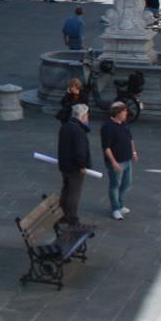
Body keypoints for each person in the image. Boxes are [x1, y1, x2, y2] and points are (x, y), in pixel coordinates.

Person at [57, 100, 92, 233]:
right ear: (83, 117)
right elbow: (80, 152)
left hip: (65, 165)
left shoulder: (65, 126)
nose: (88, 118)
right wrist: (82, 166)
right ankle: (72, 219)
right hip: (74, 168)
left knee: (66, 190)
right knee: (74, 193)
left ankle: (63, 214)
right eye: (87, 116)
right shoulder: (79, 131)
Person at [100, 101, 137, 221]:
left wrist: (134, 152)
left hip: (127, 159)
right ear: (117, 113)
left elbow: (130, 138)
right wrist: (114, 162)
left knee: (127, 183)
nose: (126, 113)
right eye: (124, 111)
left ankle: (120, 204)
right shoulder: (107, 127)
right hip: (117, 162)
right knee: (115, 185)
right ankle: (115, 209)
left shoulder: (124, 123)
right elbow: (106, 147)